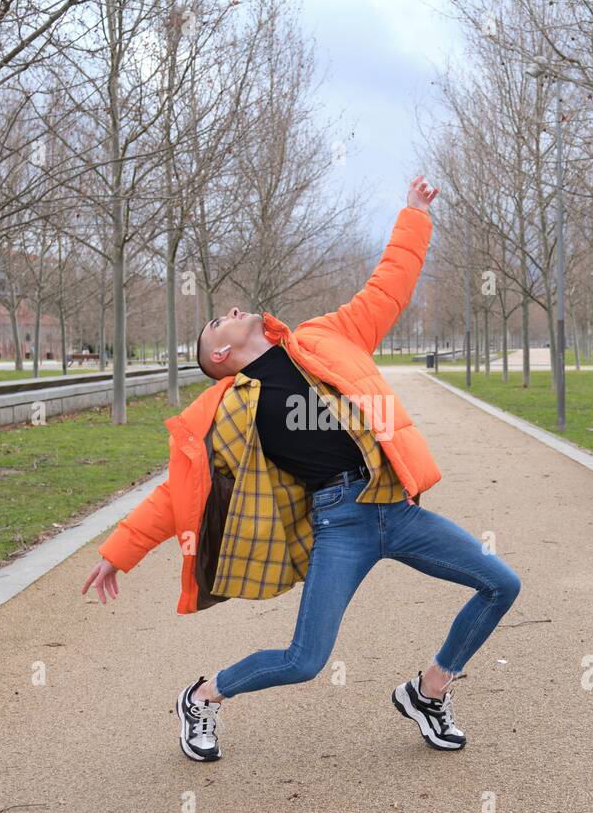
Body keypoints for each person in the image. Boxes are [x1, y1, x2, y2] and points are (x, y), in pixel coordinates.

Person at [81, 175, 521, 761]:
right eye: (217, 321)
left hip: (395, 507)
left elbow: (386, 290)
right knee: (305, 660)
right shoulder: (228, 409)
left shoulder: (323, 338)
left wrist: (414, 215)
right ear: (220, 355)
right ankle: (203, 697)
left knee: (501, 583)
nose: (228, 311)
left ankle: (429, 690)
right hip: (340, 524)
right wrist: (119, 552)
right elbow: (180, 492)